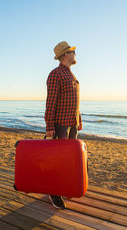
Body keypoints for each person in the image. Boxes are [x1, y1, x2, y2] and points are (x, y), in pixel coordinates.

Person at [44, 41, 82, 209]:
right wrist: (49, 127)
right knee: (60, 160)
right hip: (61, 124)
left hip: (72, 123)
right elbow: (50, 102)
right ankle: (54, 192)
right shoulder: (55, 74)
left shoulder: (70, 74)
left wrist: (78, 120)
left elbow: (74, 100)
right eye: (73, 52)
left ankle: (64, 187)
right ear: (66, 55)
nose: (75, 54)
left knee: (70, 160)